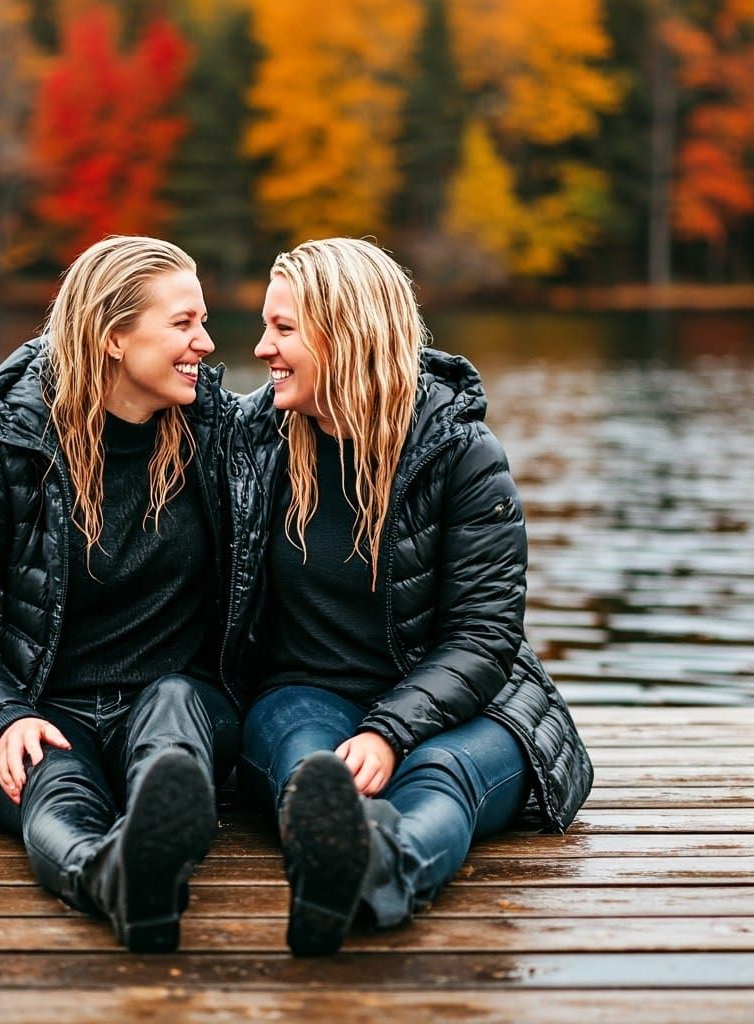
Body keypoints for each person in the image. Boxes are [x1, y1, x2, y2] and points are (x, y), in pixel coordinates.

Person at [0, 235, 261, 953]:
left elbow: (334, 394)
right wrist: (3, 718)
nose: (207, 343)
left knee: (173, 709)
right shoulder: (5, 451)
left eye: (204, 321)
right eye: (183, 323)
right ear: (115, 337)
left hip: (174, 704)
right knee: (54, 786)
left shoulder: (221, 438)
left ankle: (160, 836)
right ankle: (112, 879)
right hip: (42, 709)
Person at [238, 238, 594, 956]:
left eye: (283, 329)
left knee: (442, 777)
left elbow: (484, 637)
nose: (261, 348)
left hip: (468, 705)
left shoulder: (460, 452)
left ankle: (374, 877)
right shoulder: (253, 437)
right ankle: (348, 860)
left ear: (345, 335)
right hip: (304, 693)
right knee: (315, 774)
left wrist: (389, 731)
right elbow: (114, 388)